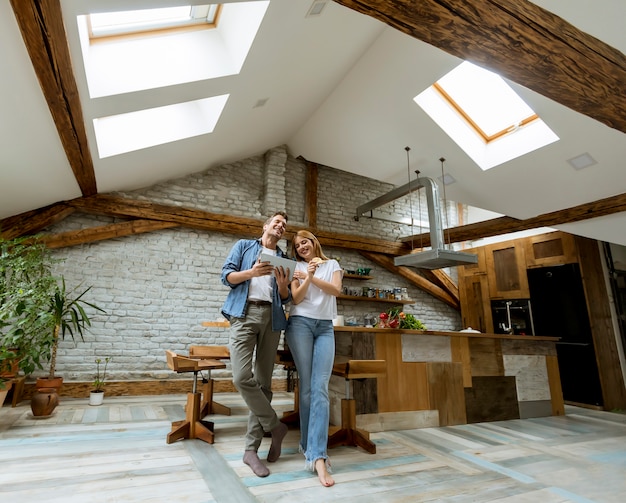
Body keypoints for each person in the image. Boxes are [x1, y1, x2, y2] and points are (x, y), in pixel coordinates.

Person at [221, 211, 292, 478]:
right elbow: (225, 277)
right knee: (241, 377)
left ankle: (251, 450)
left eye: (284, 225)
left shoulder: (284, 259)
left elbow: (284, 299)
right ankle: (275, 425)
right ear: (265, 226)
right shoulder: (243, 246)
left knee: (263, 383)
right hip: (244, 313)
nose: (280, 226)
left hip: (272, 319)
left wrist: (284, 286)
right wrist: (251, 272)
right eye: (277, 222)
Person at [285, 230, 342, 487]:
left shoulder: (332, 264)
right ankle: (309, 449)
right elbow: (296, 297)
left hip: (325, 328)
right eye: (297, 245)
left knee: (320, 388)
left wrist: (312, 275)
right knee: (307, 390)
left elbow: (336, 290)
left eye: (304, 242)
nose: (301, 247)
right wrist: (307, 274)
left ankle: (317, 455)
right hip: (299, 325)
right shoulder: (294, 267)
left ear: (314, 242)